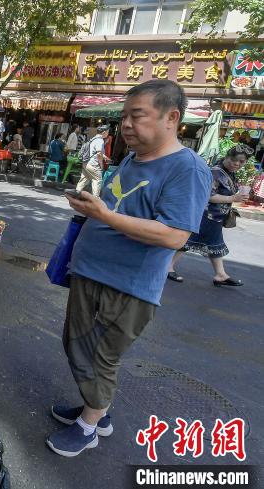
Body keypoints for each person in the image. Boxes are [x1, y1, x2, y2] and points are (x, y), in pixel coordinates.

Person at [49, 79, 211, 457]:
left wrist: (104, 214)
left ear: (171, 118)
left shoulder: (187, 169)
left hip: (126, 285)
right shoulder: (131, 158)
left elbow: (174, 235)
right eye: (124, 116)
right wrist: (95, 209)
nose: (125, 124)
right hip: (93, 272)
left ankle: (89, 426)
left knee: (98, 355)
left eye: (136, 116)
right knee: (78, 346)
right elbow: (120, 209)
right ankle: (97, 412)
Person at [168, 144, 253, 286]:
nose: (237, 164)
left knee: (214, 245)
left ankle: (220, 274)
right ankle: (167, 267)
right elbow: (208, 196)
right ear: (227, 157)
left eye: (241, 162)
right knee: (187, 242)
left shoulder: (229, 173)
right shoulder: (215, 172)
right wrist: (233, 199)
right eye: (234, 160)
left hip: (215, 217)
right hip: (205, 216)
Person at [76, 125, 110, 197]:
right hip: (93, 164)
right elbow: (98, 154)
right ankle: (95, 199)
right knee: (97, 180)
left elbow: (94, 151)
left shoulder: (93, 139)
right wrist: (101, 165)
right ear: (104, 132)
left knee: (84, 178)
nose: (108, 134)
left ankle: (76, 192)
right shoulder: (100, 140)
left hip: (86, 163)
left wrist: (105, 157)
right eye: (107, 132)